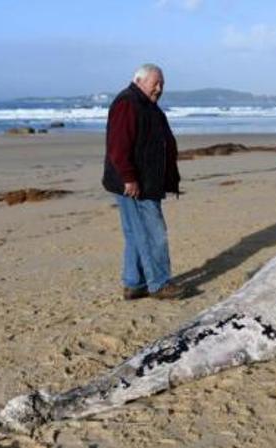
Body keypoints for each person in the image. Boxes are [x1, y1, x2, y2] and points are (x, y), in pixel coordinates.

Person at [102, 63, 186, 300]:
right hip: (136, 184)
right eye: (155, 83)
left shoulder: (147, 105)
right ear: (139, 81)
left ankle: (134, 283)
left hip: (146, 182)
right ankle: (159, 283)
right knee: (153, 233)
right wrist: (129, 178)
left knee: (137, 233)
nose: (159, 88)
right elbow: (118, 147)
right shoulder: (128, 103)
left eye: (162, 84)